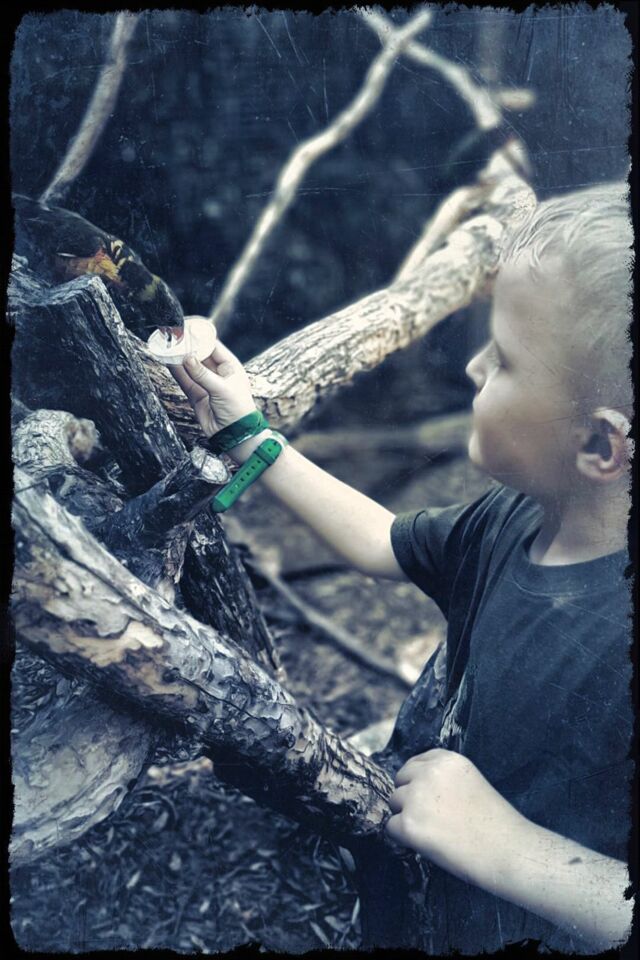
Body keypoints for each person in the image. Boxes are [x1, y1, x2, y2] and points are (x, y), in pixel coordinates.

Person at [172, 182, 634, 953]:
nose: (474, 368)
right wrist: (248, 432)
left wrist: (507, 846)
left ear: (597, 445)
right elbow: (381, 540)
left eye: (505, 359)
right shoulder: (514, 517)